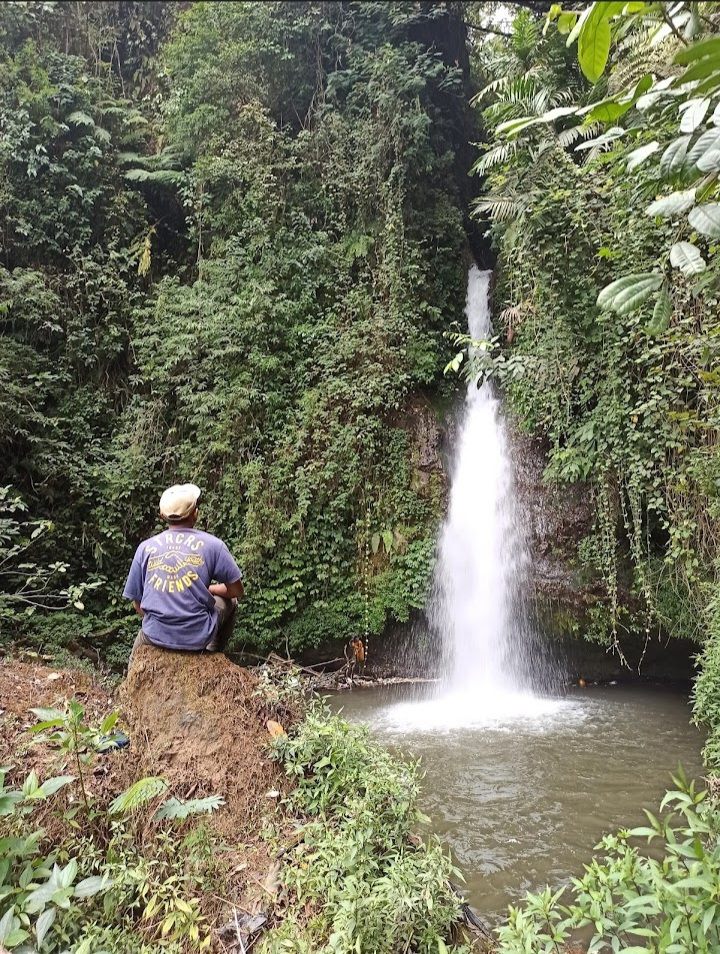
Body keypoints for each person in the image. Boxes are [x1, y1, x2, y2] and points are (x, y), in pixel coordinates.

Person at [123, 483, 244, 656]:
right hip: (198, 636)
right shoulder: (214, 545)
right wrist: (210, 589)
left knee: (134, 664)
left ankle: (130, 678)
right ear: (195, 513)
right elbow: (236, 591)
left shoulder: (145, 548)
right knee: (231, 602)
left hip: (154, 634)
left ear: (162, 516)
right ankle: (212, 650)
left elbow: (137, 604)